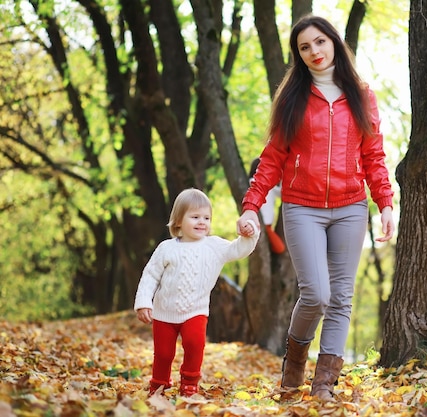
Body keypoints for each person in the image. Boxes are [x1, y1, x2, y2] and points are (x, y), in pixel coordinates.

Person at [237, 15, 395, 401]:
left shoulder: (361, 94)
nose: (314, 52)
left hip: (351, 207)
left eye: (320, 42)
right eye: (305, 47)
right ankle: (294, 362)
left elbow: (373, 154)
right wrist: (251, 206)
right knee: (316, 294)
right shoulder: (293, 97)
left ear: (334, 43)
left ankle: (324, 383)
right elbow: (272, 157)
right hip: (301, 206)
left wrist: (385, 203)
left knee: (341, 297)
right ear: (299, 54)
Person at [134, 188, 259, 397]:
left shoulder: (214, 246)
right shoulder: (167, 248)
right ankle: (159, 383)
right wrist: (144, 302)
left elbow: (239, 249)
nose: (202, 222)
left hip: (196, 311)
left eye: (206, 217)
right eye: (195, 217)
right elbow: (150, 276)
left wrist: (249, 234)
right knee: (164, 353)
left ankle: (190, 382)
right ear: (178, 221)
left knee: (195, 345)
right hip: (164, 312)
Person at [248, 157, 286, 254]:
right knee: (280, 248)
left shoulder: (270, 186)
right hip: (263, 222)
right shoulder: (255, 183)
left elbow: (282, 193)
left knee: (274, 247)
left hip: (267, 222)